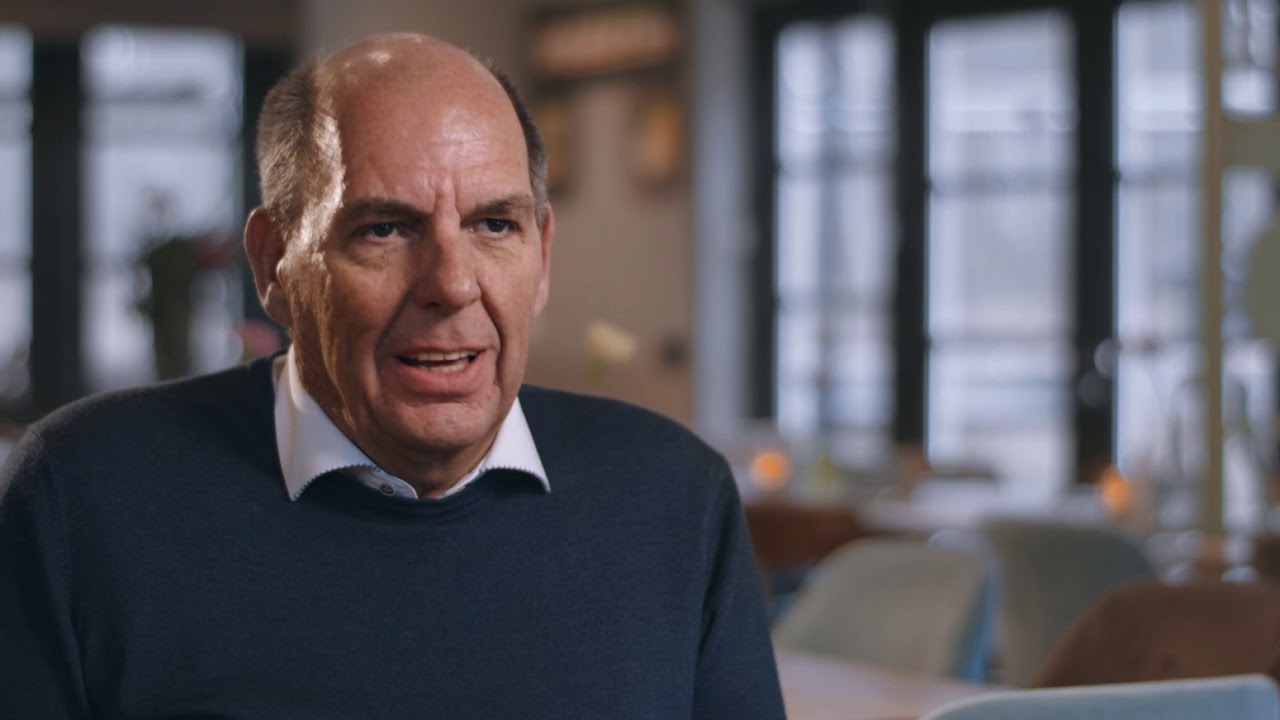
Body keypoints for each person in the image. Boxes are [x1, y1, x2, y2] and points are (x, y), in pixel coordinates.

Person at [0, 33, 785, 718]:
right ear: (274, 265)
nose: (452, 284)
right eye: (384, 229)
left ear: (542, 257)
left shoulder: (675, 497)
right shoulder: (84, 496)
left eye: (494, 224)